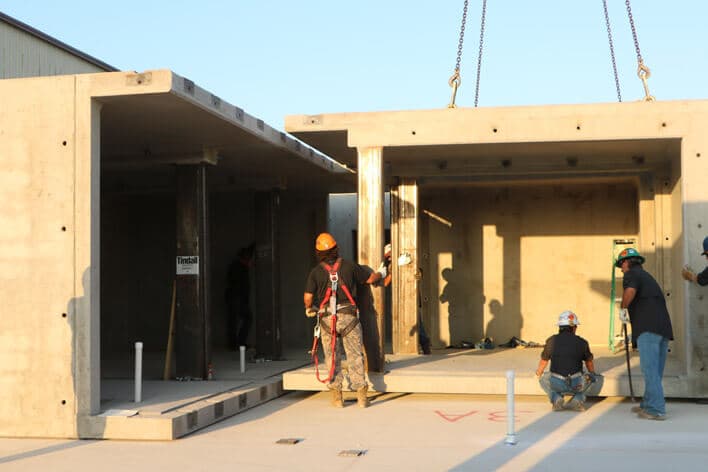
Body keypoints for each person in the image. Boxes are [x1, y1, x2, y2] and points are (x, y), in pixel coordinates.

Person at [304, 233, 385, 408]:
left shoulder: (316, 272)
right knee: (355, 355)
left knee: (332, 357)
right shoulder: (349, 266)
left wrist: (309, 308)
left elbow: (308, 298)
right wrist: (381, 273)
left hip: (327, 320)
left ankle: (337, 397)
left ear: (318, 252)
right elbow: (371, 279)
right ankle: (362, 397)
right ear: (336, 248)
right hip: (349, 318)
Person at [617, 247, 674, 420]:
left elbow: (630, 291)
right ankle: (648, 404)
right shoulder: (647, 276)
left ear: (627, 262)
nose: (621, 269)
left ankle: (656, 409)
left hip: (647, 329)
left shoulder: (632, 274)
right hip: (663, 328)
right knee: (655, 372)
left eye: (621, 265)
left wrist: (623, 307)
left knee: (649, 370)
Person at [535, 310, 597, 411]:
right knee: (592, 378)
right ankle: (577, 400)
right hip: (577, 383)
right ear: (573, 328)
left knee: (542, 378)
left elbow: (543, 361)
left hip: (557, 382)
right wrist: (592, 374)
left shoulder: (551, 341)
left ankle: (556, 398)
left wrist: (538, 372)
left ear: (560, 327)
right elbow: (589, 363)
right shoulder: (582, 342)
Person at [381, 243, 432, 354]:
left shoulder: (407, 261)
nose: (388, 258)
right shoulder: (389, 265)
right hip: (398, 299)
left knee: (417, 323)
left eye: (389, 255)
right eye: (387, 256)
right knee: (409, 325)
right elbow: (385, 283)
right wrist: (393, 270)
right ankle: (417, 346)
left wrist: (418, 273)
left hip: (411, 298)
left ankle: (425, 346)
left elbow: (418, 272)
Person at [225, 243, 255, 350]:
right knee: (243, 319)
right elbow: (239, 285)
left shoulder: (239, 267)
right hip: (237, 298)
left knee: (235, 320)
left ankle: (235, 344)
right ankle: (238, 343)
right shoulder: (239, 268)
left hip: (237, 298)